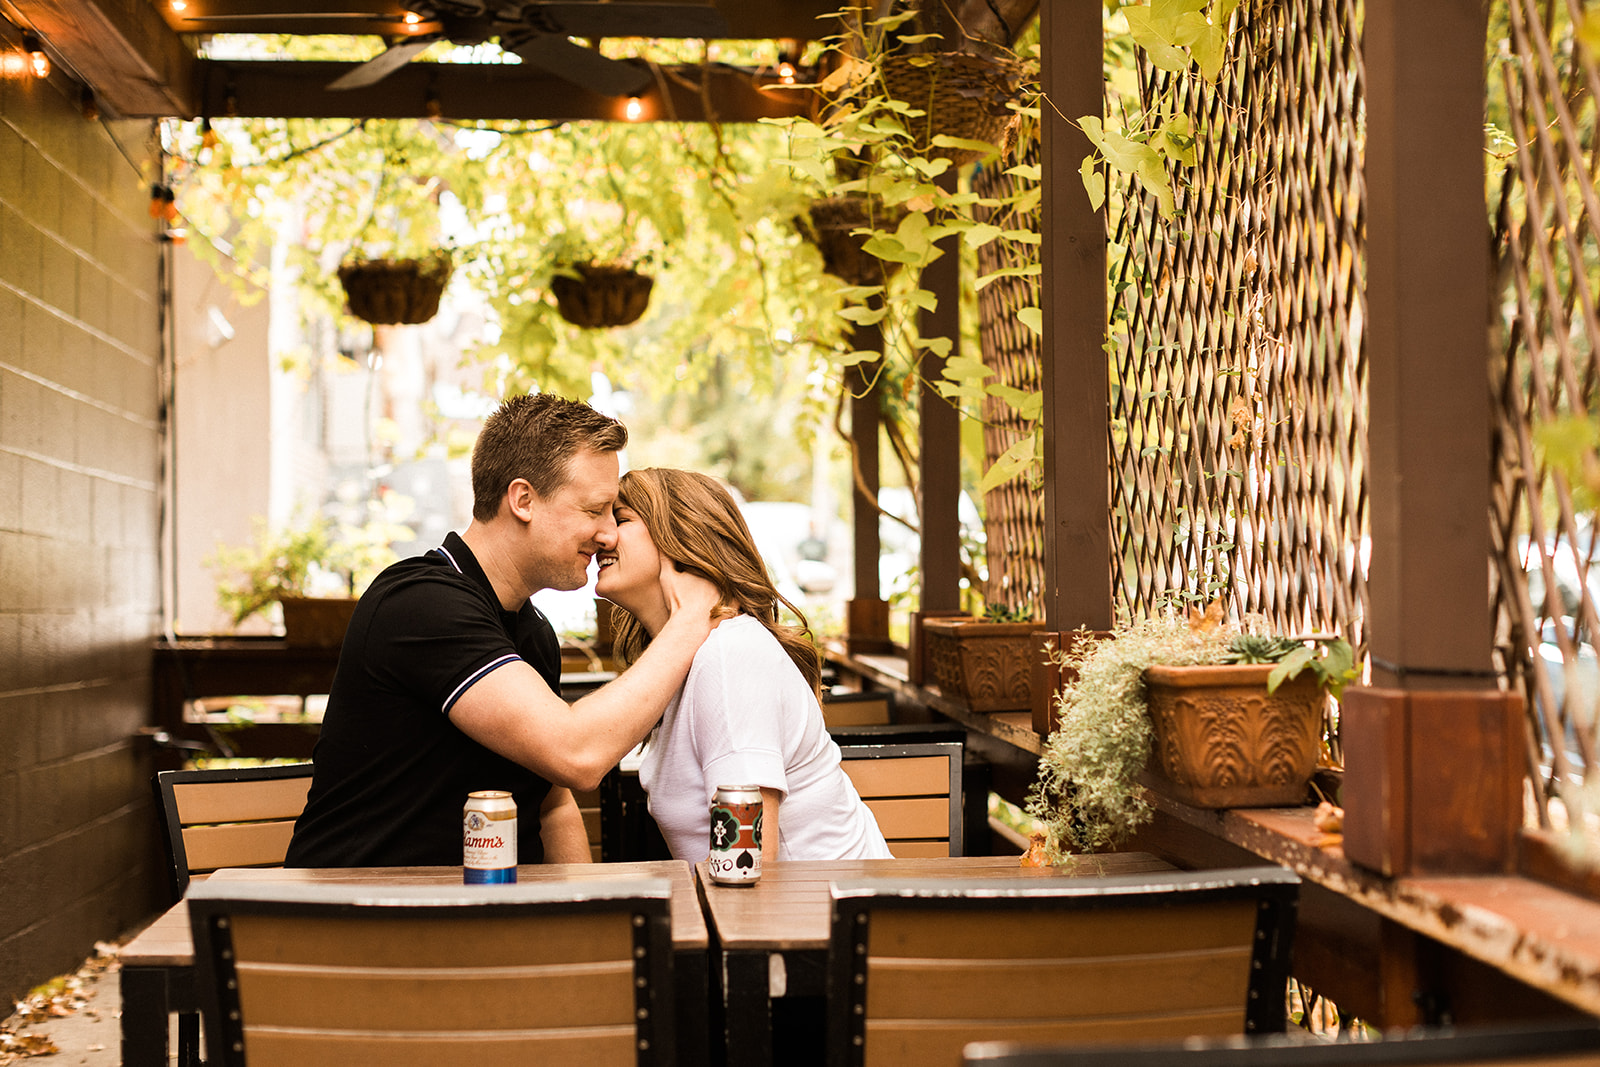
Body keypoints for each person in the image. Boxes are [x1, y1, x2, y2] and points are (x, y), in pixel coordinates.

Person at [286, 395, 720, 868]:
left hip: (478, 905)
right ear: (523, 500)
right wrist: (690, 617)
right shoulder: (421, 603)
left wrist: (586, 906)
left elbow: (552, 805)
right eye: (595, 510)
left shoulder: (532, 632)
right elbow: (577, 754)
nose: (609, 533)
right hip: (358, 905)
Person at [596, 467, 891, 862]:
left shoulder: (729, 654)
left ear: (679, 536)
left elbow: (747, 860)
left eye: (620, 519)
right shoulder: (687, 658)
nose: (601, 535)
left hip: (819, 902)